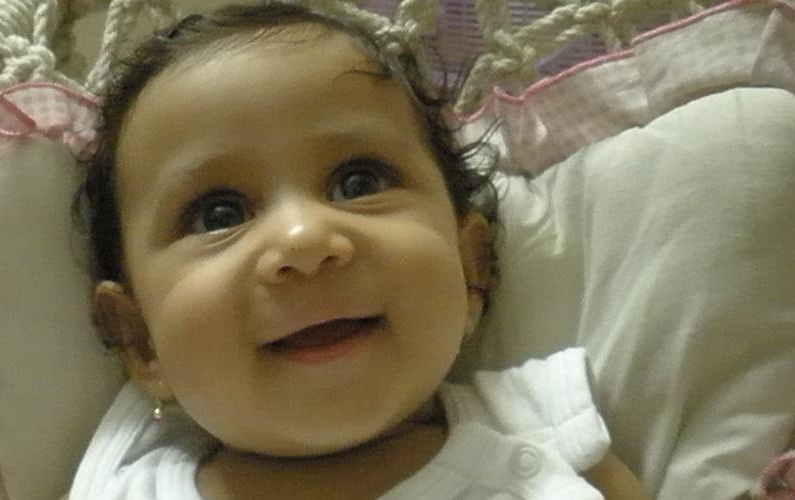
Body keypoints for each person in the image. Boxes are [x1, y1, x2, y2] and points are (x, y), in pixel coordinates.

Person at [68, 2, 648, 498]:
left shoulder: (543, 427)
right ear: (141, 341)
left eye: (358, 183)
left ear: (471, 268)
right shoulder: (125, 485)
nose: (304, 240)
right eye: (219, 214)